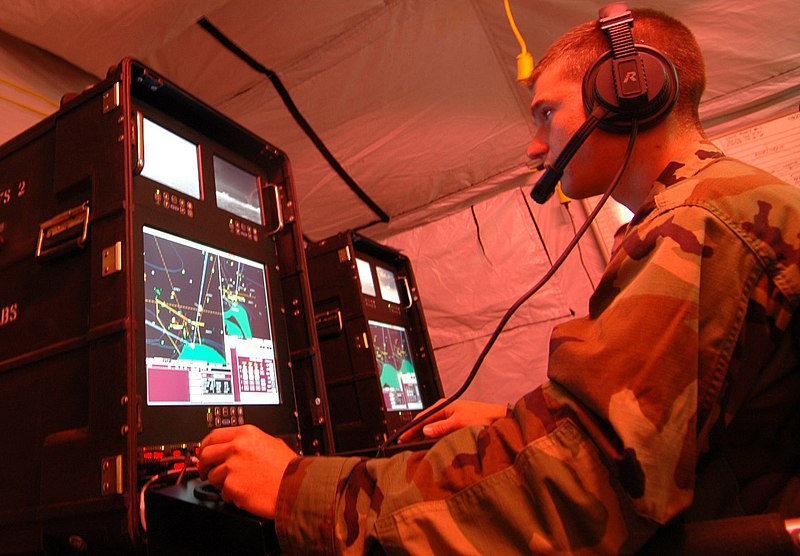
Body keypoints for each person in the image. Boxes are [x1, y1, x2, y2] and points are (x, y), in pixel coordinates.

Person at [198, 5, 800, 553]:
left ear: (628, 94)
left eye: (546, 113)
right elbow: (664, 425)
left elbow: (575, 492)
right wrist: (515, 418)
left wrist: (293, 488)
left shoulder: (695, 225)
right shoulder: (720, 204)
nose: (535, 147)